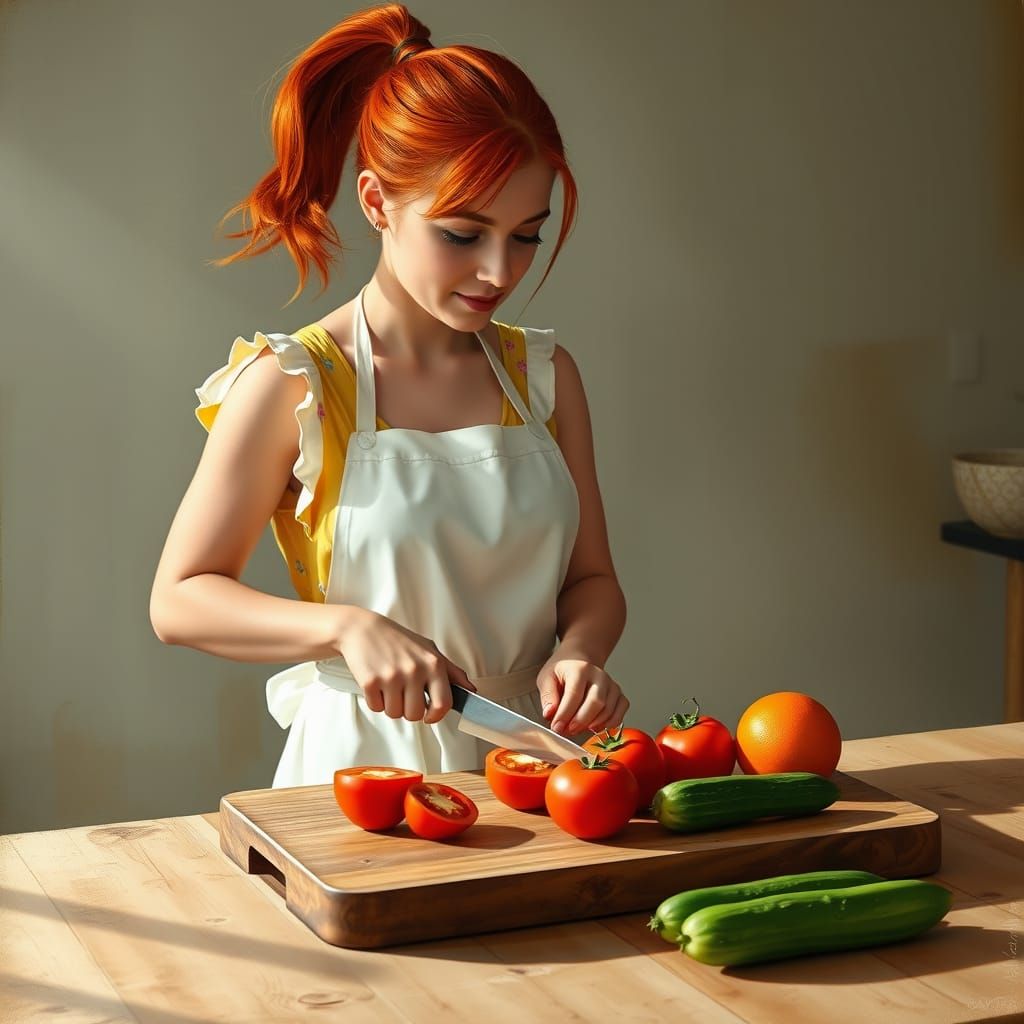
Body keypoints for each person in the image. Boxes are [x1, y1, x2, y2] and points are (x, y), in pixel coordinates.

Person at [149, 2, 629, 787]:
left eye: (527, 235)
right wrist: (345, 629)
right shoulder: (295, 383)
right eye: (463, 234)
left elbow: (593, 582)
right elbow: (179, 600)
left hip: (532, 767)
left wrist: (579, 653)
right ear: (377, 203)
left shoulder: (545, 378)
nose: (500, 274)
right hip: (361, 779)